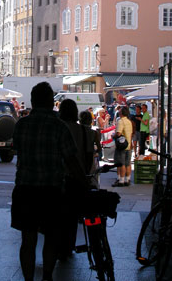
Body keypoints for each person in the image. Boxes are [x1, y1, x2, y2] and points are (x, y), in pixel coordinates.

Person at [11, 82, 86, 281]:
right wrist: (83, 182)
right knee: (51, 237)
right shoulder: (59, 126)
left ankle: (28, 279)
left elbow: (16, 150)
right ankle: (46, 276)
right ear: (51, 102)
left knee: (28, 239)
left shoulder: (21, 125)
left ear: (33, 101)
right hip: (51, 191)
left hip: (25, 188)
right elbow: (71, 159)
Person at [59, 99, 95, 259]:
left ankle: (59, 247)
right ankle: (69, 246)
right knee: (73, 217)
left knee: (59, 215)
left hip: (59, 179)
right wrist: (85, 177)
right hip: (77, 179)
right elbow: (88, 158)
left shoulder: (58, 129)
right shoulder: (86, 131)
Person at [112, 106, 133, 187]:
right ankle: (127, 179)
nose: (119, 112)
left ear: (121, 113)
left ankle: (121, 180)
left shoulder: (121, 121)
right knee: (128, 163)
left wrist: (113, 136)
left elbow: (118, 133)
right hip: (128, 145)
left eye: (120, 111)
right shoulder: (129, 121)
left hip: (122, 146)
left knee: (122, 163)